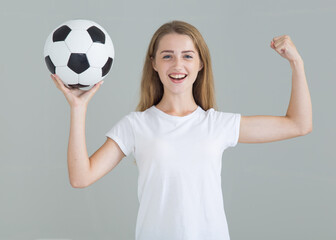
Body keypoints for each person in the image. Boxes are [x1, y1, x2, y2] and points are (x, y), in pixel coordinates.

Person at [50, 20, 312, 240]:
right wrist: (78, 108)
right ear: (154, 63)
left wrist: (297, 64)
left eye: (187, 56)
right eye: (167, 56)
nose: (177, 65)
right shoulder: (136, 125)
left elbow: (298, 124)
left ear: (200, 64)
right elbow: (80, 177)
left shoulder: (217, 124)